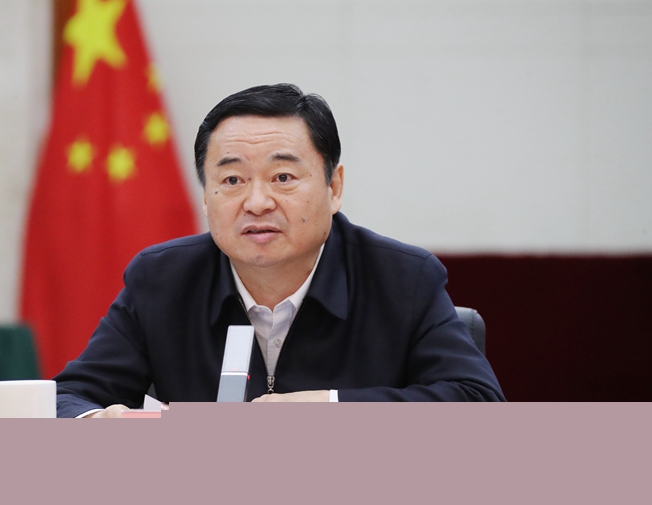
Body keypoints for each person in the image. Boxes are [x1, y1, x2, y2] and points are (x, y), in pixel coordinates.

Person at [55, 84, 504, 415]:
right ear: (206, 197)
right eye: (232, 180)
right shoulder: (161, 279)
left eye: (283, 178)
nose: (257, 202)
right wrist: (98, 421)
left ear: (334, 187)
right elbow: (68, 397)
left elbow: (478, 403)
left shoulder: (403, 278)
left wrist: (329, 408)